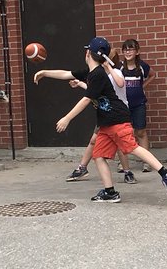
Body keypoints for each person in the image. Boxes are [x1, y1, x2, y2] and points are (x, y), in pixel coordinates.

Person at [55, 37, 167, 203]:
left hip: (117, 118)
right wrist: (44, 72)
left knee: (131, 147)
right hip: (106, 123)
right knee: (98, 155)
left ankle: (166, 172)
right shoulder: (92, 74)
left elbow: (87, 98)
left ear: (88, 53)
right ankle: (110, 192)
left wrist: (67, 118)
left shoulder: (100, 74)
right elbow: (66, 74)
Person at [34, 51, 136, 182]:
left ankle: (128, 172)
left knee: (121, 145)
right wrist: (79, 83)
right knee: (95, 143)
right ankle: (84, 169)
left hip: (117, 114)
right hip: (105, 114)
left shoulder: (113, 73)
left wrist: (67, 118)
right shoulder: (96, 74)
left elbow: (119, 84)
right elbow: (91, 89)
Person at [119, 37, 154, 172]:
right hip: (123, 105)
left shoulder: (142, 66)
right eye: (125, 50)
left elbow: (152, 75)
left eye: (131, 49)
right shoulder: (120, 67)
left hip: (138, 104)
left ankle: (146, 162)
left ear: (137, 52)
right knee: (123, 133)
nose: (128, 52)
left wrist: (142, 86)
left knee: (140, 131)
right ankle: (123, 163)